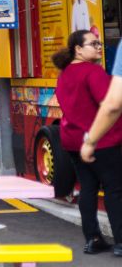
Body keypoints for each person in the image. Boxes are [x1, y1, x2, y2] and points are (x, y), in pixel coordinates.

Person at [53, 30, 122, 255]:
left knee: (88, 188)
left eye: (99, 43)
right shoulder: (93, 72)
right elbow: (109, 103)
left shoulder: (64, 74)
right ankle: (120, 241)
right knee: (114, 189)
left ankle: (93, 239)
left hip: (73, 140)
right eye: (93, 44)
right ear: (78, 49)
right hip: (100, 140)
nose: (99, 47)